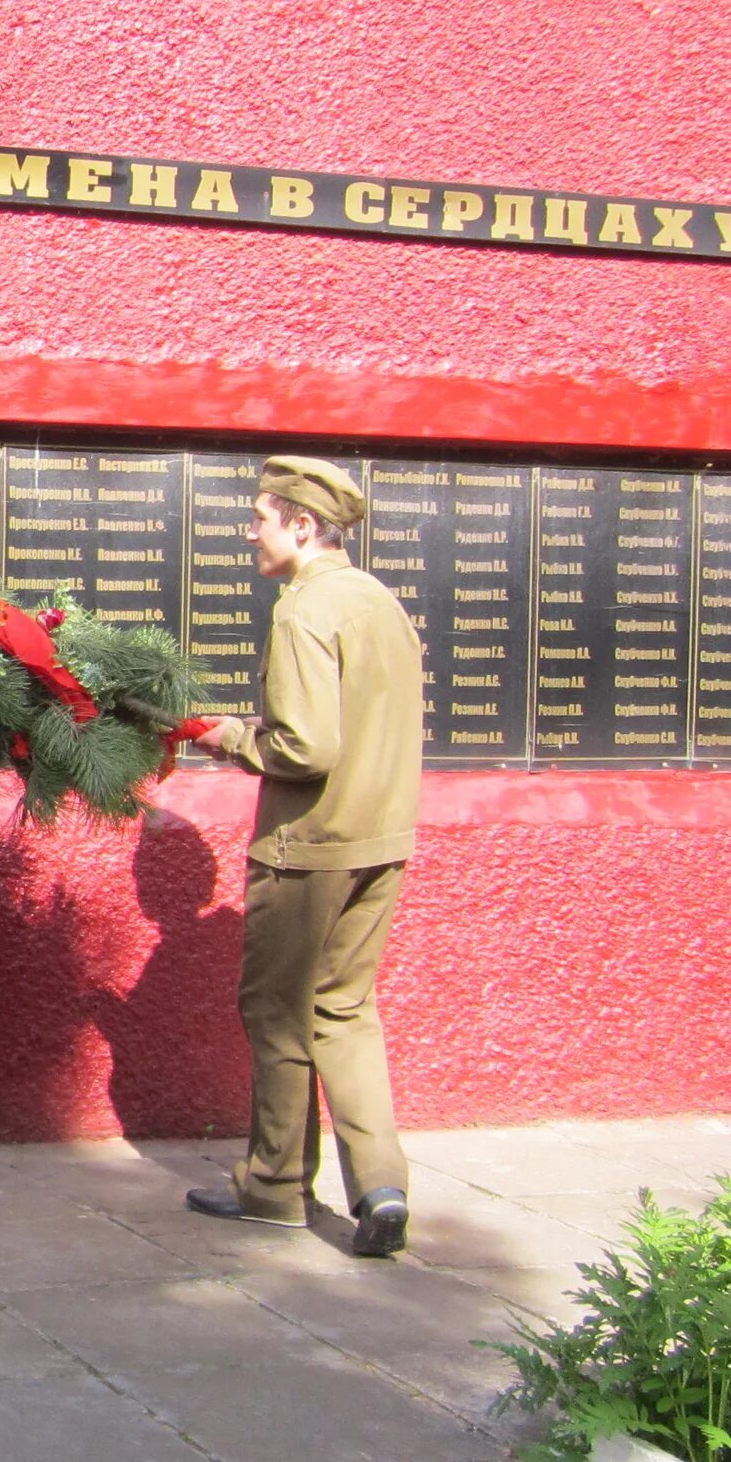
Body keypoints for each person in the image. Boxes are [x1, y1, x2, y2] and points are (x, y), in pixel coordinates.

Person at [189, 454, 424, 1258]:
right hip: (382, 842)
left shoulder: (305, 610)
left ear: (301, 525)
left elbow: (306, 747)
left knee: (280, 1015)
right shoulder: (378, 601)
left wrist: (225, 735)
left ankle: (275, 1188)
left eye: (259, 517)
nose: (247, 530)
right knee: (347, 1012)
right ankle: (382, 1187)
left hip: (309, 851)